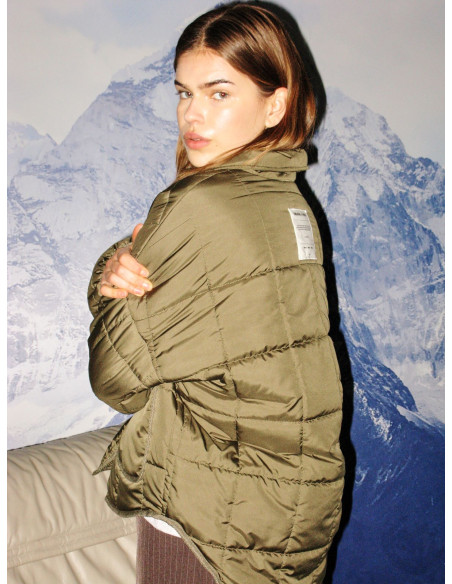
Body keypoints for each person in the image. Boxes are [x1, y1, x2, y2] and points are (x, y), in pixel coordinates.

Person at [87, 3, 345, 583]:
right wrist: (120, 265)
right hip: (287, 509)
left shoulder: (200, 205)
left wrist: (111, 284)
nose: (192, 114)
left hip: (212, 515)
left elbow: (116, 381)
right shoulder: (290, 202)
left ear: (275, 105)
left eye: (219, 93)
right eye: (184, 93)